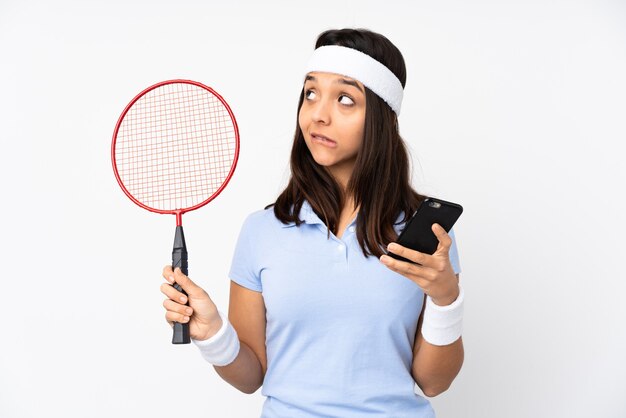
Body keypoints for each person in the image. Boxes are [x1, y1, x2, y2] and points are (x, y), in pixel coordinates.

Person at [160, 28, 464, 418]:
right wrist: (214, 333)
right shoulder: (262, 231)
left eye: (345, 99)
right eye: (310, 93)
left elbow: (434, 381)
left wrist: (446, 299)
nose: (318, 114)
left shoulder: (426, 232)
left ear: (382, 118)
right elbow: (252, 375)